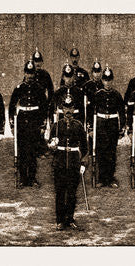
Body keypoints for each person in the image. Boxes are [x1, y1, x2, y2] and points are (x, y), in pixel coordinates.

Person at [47, 92, 89, 231]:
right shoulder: (56, 126)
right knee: (60, 192)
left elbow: (85, 147)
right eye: (65, 108)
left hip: (73, 162)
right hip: (59, 162)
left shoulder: (78, 126)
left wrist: (83, 163)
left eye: (70, 108)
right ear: (62, 109)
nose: (68, 111)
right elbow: (50, 145)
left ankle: (70, 219)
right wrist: (51, 146)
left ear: (74, 109)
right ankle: (60, 220)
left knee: (71, 192)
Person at [9, 61, 49, 188]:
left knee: (32, 151)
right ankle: (23, 178)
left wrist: (43, 125)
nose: (30, 76)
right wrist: (12, 125)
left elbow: (44, 108)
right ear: (24, 73)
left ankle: (32, 178)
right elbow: (11, 107)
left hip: (34, 122)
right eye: (27, 73)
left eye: (31, 73)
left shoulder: (39, 88)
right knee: (22, 151)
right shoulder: (19, 88)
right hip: (22, 122)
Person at [88, 67, 125, 188]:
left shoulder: (117, 95)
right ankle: (101, 178)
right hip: (101, 124)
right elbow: (91, 113)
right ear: (102, 81)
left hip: (112, 125)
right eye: (105, 80)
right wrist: (91, 128)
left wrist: (122, 128)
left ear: (112, 80)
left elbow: (121, 113)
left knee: (111, 151)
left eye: (109, 80)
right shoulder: (97, 95)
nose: (107, 83)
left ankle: (110, 178)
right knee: (101, 151)